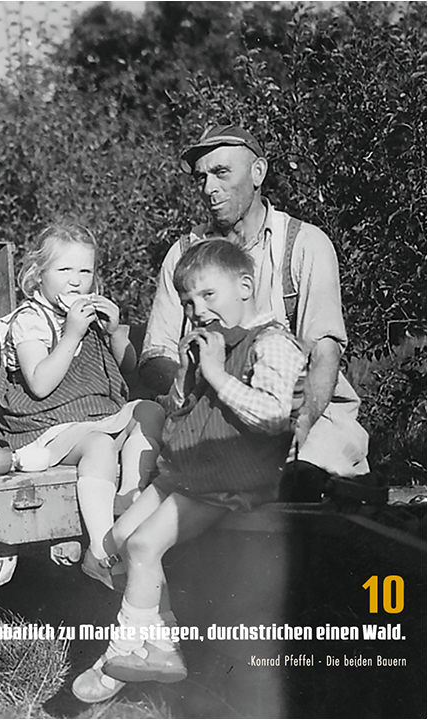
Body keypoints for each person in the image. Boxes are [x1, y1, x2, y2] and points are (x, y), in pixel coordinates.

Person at [72, 240, 307, 703]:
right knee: (115, 541)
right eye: (188, 302)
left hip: (229, 479)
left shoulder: (271, 342)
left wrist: (217, 374)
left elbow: (275, 416)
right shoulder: (210, 345)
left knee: (142, 545)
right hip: (188, 472)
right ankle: (161, 640)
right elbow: (180, 412)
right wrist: (187, 373)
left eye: (208, 296)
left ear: (245, 287)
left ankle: (122, 653)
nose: (197, 310)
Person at [139, 125, 369, 498]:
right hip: (208, 412)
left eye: (222, 173)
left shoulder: (303, 244)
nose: (209, 188)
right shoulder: (184, 254)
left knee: (303, 480)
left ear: (258, 172)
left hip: (302, 411)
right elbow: (154, 358)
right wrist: (200, 380)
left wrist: (301, 425)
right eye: (202, 178)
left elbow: (325, 351)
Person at [0, 223, 165, 588]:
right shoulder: (31, 320)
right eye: (64, 270)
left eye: (85, 271)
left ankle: (127, 501)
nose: (76, 281)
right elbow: (39, 384)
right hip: (43, 426)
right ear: (37, 276)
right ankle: (101, 554)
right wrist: (71, 334)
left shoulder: (89, 317)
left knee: (150, 412)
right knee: (100, 444)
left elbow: (127, 369)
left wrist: (115, 331)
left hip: (91, 419)